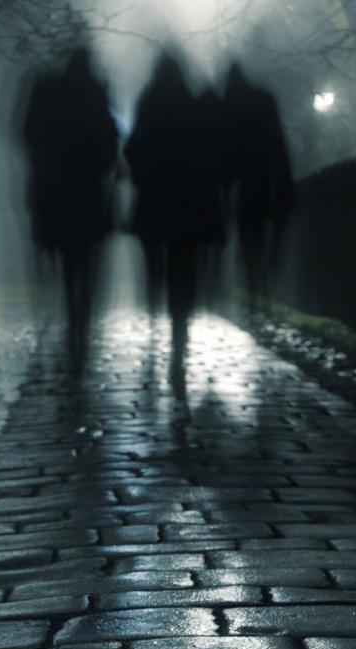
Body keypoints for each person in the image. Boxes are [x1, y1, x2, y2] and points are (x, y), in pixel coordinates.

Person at [22, 46, 118, 368]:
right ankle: (81, 319)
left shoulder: (47, 89)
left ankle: (72, 316)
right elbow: (109, 138)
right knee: (86, 257)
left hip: (56, 189)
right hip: (87, 190)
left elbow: (28, 133)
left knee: (66, 255)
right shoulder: (95, 91)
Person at [125, 53, 215, 397]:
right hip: (187, 204)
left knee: (155, 260)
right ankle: (179, 334)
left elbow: (133, 147)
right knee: (183, 269)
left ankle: (154, 306)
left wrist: (142, 174)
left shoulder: (149, 102)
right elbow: (207, 152)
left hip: (156, 199)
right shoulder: (191, 103)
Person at [223, 61, 293, 308]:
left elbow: (225, 148)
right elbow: (277, 140)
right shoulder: (262, 100)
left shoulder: (230, 105)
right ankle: (260, 279)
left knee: (246, 231)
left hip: (242, 181)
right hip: (262, 176)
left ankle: (253, 280)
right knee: (260, 228)